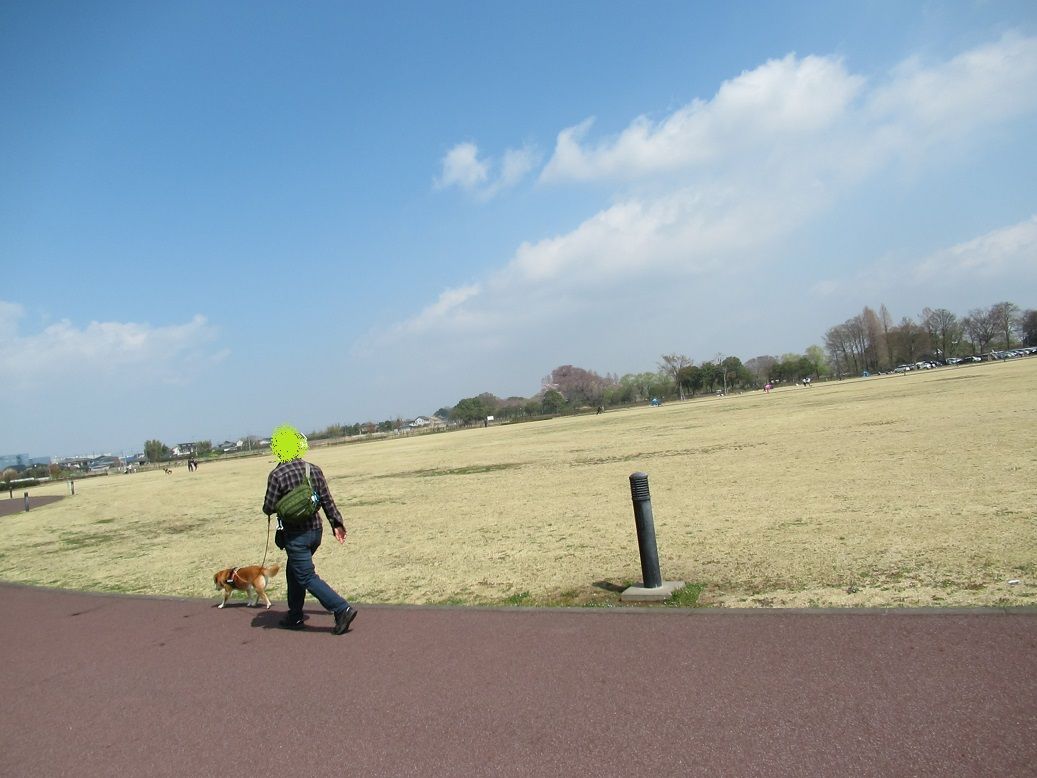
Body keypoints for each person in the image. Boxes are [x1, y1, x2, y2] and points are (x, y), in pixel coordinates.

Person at [262, 424, 357, 635]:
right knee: (293, 571)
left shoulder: (277, 475)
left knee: (305, 576)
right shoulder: (313, 469)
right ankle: (295, 615)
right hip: (315, 531)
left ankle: (342, 609)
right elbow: (326, 500)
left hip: (296, 535)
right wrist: (337, 524)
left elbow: (268, 507)